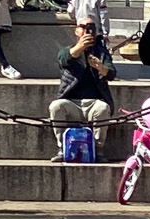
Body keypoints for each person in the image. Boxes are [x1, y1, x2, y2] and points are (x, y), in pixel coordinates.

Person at [49, 19, 115, 154]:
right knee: (56, 106)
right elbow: (64, 60)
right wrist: (80, 47)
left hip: (94, 103)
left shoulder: (101, 53)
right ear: (76, 31)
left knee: (103, 108)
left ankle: (97, 149)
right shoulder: (67, 51)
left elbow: (111, 74)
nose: (86, 30)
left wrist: (100, 67)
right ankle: (63, 148)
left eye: (90, 27)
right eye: (83, 27)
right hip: (71, 103)